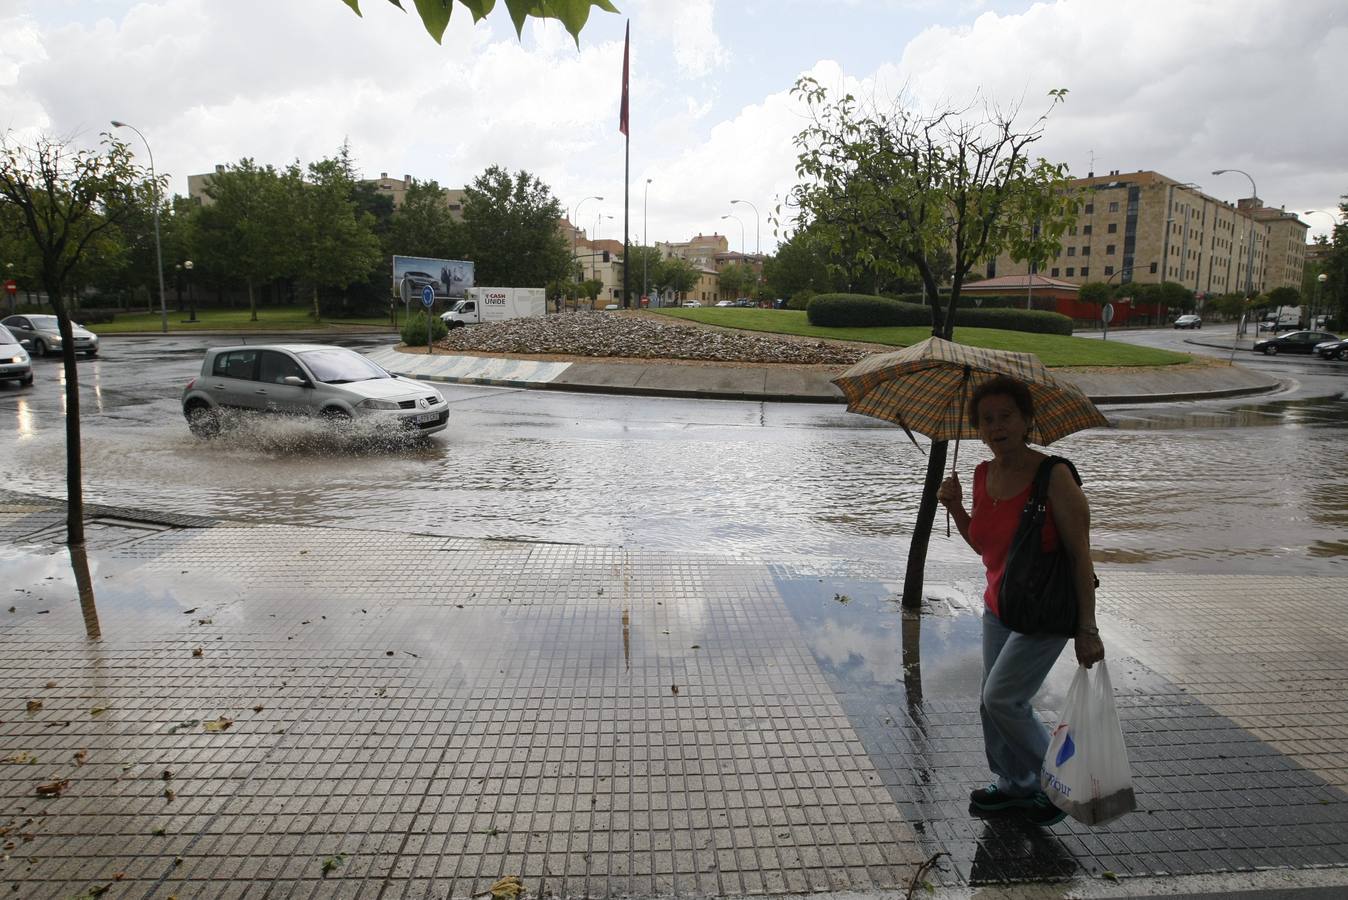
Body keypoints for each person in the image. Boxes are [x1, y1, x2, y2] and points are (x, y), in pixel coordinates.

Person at [936, 374, 1104, 827]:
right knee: (990, 703)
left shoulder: (1055, 476)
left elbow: (1079, 554)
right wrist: (955, 509)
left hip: (1045, 609)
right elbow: (986, 546)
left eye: (1006, 416)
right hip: (1000, 604)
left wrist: (1086, 629)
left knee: (1003, 699)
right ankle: (1015, 786)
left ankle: (1062, 780)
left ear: (1028, 419)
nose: (996, 426)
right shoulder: (981, 473)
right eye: (987, 419)